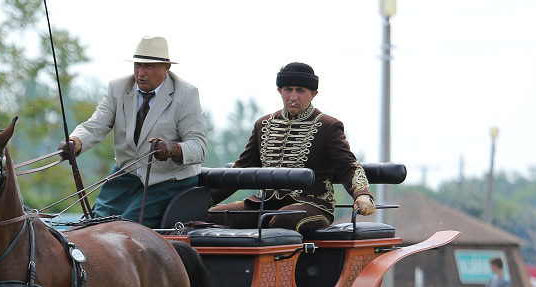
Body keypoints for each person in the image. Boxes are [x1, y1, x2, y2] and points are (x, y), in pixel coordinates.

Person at [58, 35, 208, 229]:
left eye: (148, 66)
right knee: (89, 227)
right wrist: (75, 141)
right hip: (125, 175)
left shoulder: (186, 93)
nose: (140, 72)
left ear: (167, 68)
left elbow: (199, 146)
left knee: (122, 231)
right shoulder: (118, 88)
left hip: (168, 180)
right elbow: (96, 125)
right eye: (137, 65)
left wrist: (173, 149)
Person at [208, 62, 375, 233]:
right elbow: (240, 170)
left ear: (313, 94)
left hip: (313, 205)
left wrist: (362, 193)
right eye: (288, 89)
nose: (293, 97)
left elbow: (348, 166)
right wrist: (204, 200)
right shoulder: (263, 124)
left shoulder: (328, 126)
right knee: (211, 215)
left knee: (284, 218)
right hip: (265, 203)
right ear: (280, 91)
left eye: (300, 91)